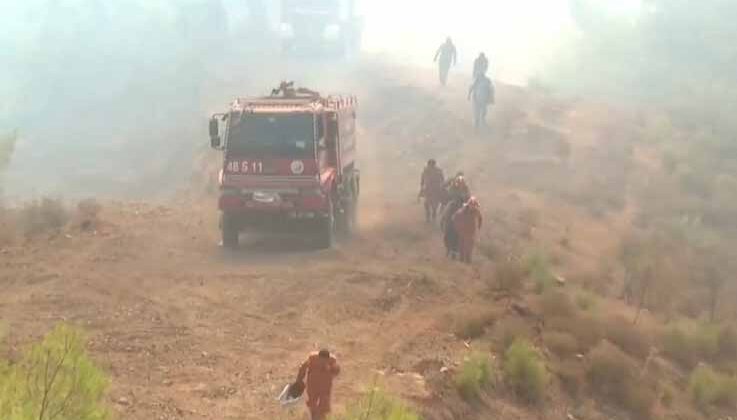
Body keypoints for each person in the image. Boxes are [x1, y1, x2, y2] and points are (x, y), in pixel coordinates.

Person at [295, 349, 340, 420]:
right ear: (319, 357)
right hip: (313, 384)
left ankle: (321, 417)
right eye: (322, 359)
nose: (323, 361)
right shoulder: (312, 358)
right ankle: (314, 416)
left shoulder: (332, 361)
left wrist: (331, 368)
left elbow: (337, 371)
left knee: (324, 404)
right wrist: (299, 379)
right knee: (312, 402)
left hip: (325, 385)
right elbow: (303, 367)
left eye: (325, 359)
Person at [440, 175, 471, 259]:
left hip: (463, 205)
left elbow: (468, 196)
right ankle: (443, 221)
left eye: (461, 183)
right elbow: (450, 194)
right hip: (454, 204)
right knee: (447, 209)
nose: (460, 184)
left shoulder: (466, 188)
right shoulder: (453, 187)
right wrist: (456, 197)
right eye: (459, 183)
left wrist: (465, 198)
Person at [452, 197, 483, 264]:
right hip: (462, 231)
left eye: (474, 205)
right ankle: (461, 260)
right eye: (472, 205)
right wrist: (457, 227)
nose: (473, 206)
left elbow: (480, 218)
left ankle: (468, 260)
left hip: (471, 232)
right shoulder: (462, 211)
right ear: (469, 205)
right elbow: (455, 217)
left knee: (469, 246)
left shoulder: (476, 211)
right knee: (462, 246)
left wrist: (479, 226)